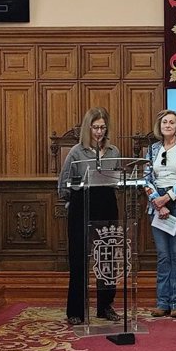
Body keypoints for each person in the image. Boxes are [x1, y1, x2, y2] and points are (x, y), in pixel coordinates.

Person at [58, 107, 122, 325]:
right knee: (78, 259)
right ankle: (76, 310)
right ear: (88, 128)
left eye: (103, 127)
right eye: (95, 127)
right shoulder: (76, 152)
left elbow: (119, 178)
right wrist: (73, 196)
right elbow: (64, 184)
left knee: (108, 257)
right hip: (81, 206)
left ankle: (105, 306)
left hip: (106, 205)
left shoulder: (113, 150)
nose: (99, 132)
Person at [144, 109, 176, 319]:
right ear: (160, 126)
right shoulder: (151, 149)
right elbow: (146, 178)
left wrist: (167, 199)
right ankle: (162, 302)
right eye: (164, 122)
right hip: (157, 204)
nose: (167, 125)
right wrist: (158, 201)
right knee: (162, 255)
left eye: (171, 122)